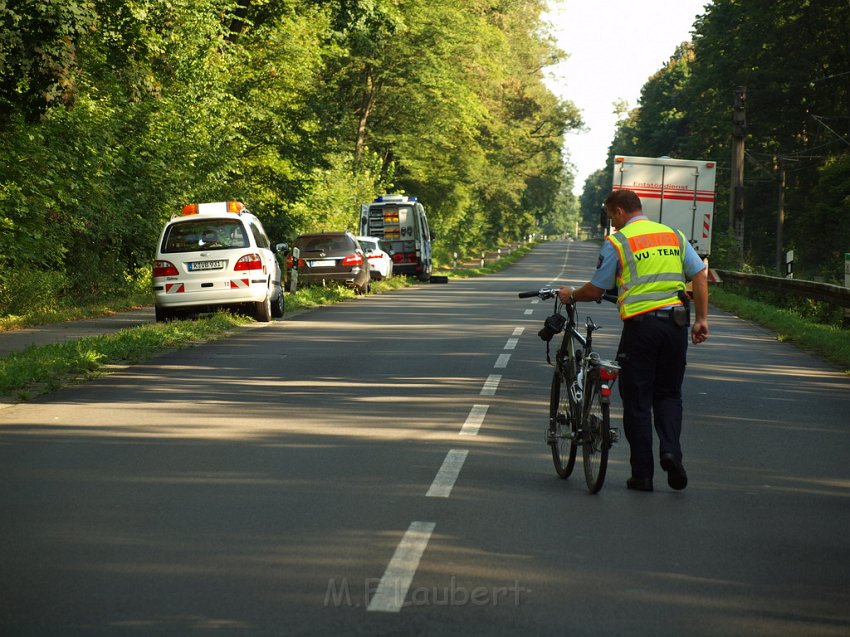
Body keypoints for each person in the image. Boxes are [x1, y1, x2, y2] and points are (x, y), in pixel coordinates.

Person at [558, 189, 709, 492]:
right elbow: (700, 276)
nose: (612, 225)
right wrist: (702, 319)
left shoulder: (619, 241)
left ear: (618, 212)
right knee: (668, 394)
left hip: (641, 329)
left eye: (611, 217)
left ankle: (643, 474)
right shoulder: (673, 235)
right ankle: (670, 451)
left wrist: (570, 294)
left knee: (637, 400)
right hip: (676, 325)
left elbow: (597, 289)